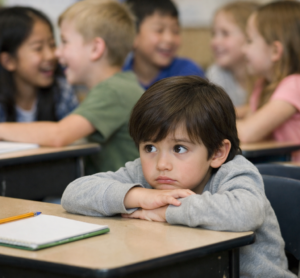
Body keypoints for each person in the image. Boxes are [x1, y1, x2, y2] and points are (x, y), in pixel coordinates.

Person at [62, 75, 295, 278]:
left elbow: (246, 212)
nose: (162, 164)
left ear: (217, 152)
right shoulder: (145, 176)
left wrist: (164, 210)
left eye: (179, 149)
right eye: (150, 148)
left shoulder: (233, 171)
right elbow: (74, 193)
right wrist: (137, 196)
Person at [0, 0, 144, 174]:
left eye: (64, 42)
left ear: (95, 49)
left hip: (127, 196)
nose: (57, 53)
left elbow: (59, 135)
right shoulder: (115, 87)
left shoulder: (114, 90)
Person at [237, 0, 300, 162]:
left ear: (275, 51)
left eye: (249, 41)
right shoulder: (262, 85)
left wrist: (207, 121)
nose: (243, 49)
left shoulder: (294, 85)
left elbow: (247, 132)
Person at [0, 6, 78, 122]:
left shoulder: (62, 93)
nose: (51, 55)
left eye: (52, 44)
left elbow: (74, 135)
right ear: (9, 61)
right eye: (38, 48)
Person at [123, 0, 205, 89]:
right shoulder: (119, 78)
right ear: (133, 35)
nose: (169, 39)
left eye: (175, 31)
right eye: (159, 30)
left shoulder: (187, 75)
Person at [206, 0, 258, 118]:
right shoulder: (216, 73)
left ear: (249, 37)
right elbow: (215, 114)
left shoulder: (264, 75)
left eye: (225, 33)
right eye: (213, 34)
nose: (215, 41)